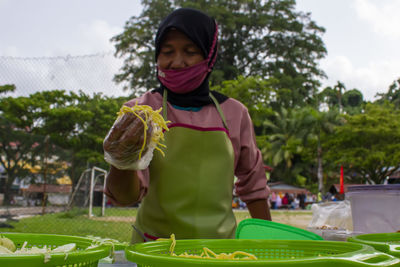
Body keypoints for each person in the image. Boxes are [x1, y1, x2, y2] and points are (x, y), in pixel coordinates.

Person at [103, 8, 271, 243]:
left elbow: (254, 187)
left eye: (190, 52)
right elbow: (124, 197)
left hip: (219, 251)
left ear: (209, 56)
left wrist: (268, 243)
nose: (177, 62)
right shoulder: (142, 112)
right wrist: (121, 160)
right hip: (155, 248)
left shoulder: (234, 113)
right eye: (167, 52)